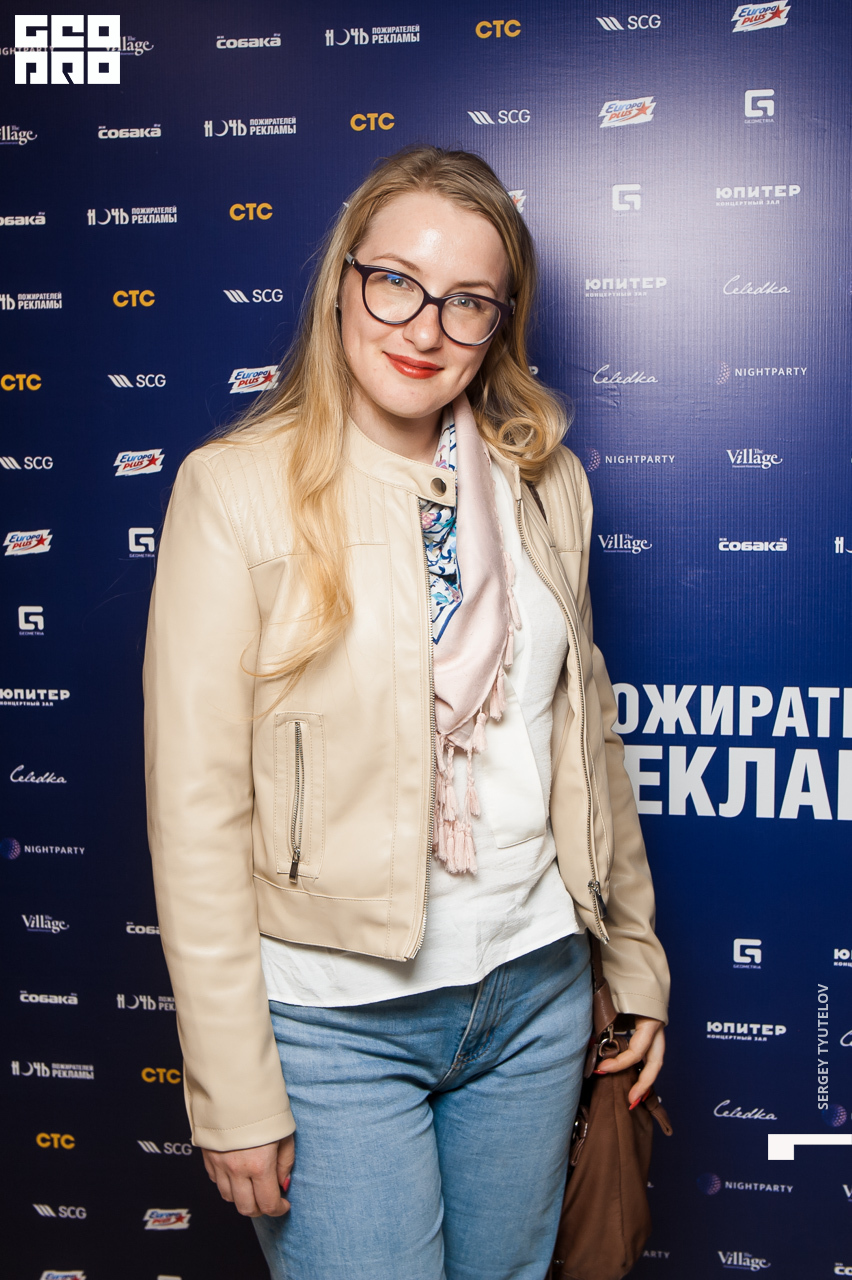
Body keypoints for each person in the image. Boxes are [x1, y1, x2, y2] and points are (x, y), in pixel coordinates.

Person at [143, 145, 670, 1280]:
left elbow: (584, 740)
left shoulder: (547, 484)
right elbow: (195, 812)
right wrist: (230, 1082)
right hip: (332, 1021)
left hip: (534, 992)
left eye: (467, 300)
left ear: (499, 324)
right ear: (345, 279)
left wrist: (633, 959)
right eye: (396, 281)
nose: (423, 328)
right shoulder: (232, 489)